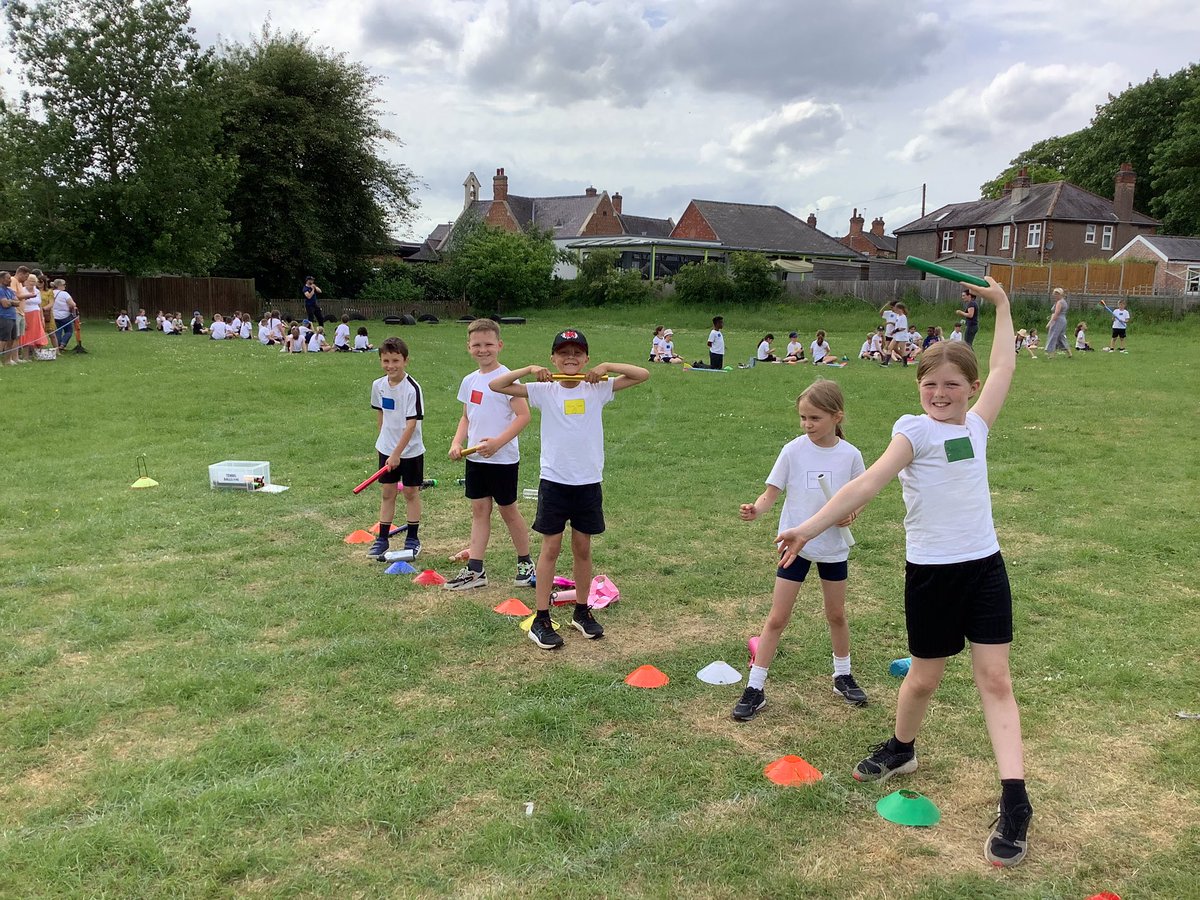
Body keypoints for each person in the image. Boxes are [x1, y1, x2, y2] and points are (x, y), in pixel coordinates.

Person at [776, 276, 1032, 868]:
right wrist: (811, 527)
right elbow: (867, 483)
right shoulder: (913, 430)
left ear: (968, 389)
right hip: (932, 576)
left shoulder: (977, 426)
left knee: (996, 680)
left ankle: (1015, 802)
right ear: (918, 387)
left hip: (985, 569)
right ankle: (902, 746)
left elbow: (1003, 369)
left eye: (951, 385)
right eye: (929, 384)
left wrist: (1002, 307)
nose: (940, 393)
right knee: (921, 680)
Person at [490, 329, 649, 650]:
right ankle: (542, 619)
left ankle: (581, 610)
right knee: (550, 549)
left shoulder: (598, 388)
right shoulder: (543, 390)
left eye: (577, 352)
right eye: (563, 353)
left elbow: (642, 374)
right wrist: (531, 370)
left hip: (588, 482)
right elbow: (498, 385)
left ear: (586, 358)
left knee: (583, 548)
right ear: (553, 358)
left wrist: (606, 367)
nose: (570, 358)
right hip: (555, 482)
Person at [733, 380, 868, 722]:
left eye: (815, 418)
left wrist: (852, 513)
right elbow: (770, 493)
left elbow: (860, 495)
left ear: (837, 417)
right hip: (794, 547)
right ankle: (755, 686)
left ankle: (843, 675)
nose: (807, 424)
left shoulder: (850, 456)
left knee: (836, 614)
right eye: (803, 418)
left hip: (833, 548)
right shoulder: (793, 450)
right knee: (777, 617)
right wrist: (757, 510)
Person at [445, 319, 536, 591]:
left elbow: (524, 416)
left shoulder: (508, 379)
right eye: (477, 345)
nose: (482, 350)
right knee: (479, 511)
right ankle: (475, 570)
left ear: (499, 345)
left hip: (502, 459)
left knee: (508, 511)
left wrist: (497, 443)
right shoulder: (469, 381)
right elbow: (466, 417)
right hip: (476, 459)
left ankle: (525, 563)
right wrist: (457, 442)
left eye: (488, 344)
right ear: (469, 347)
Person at [366, 337, 426, 561]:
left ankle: (412, 537)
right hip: (387, 449)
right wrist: (384, 442)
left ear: (405, 361)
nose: (390, 365)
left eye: (395, 360)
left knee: (410, 492)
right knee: (387, 493)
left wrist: (396, 453)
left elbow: (411, 424)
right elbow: (380, 412)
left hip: (410, 451)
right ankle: (382, 538)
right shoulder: (378, 386)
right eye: (386, 360)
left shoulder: (412, 389)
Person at [1043, 288, 1072, 359]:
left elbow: (1056, 313)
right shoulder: (1063, 302)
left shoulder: (1059, 302)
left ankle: (1051, 354)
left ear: (1060, 294)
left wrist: (1050, 323)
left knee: (1053, 336)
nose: (1055, 296)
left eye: (1057, 294)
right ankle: (1069, 353)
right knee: (1061, 336)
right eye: (1054, 294)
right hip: (1063, 320)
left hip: (1058, 320)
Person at [50, 279, 77, 350]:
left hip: (53, 316)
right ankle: (63, 344)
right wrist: (71, 308)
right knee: (69, 331)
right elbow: (72, 304)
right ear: (59, 285)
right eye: (64, 284)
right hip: (65, 316)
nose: (65, 286)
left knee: (57, 331)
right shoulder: (64, 294)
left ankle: (57, 346)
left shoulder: (50, 293)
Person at [0, 271, 19, 365]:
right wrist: (12, 302)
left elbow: (18, 302)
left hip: (13, 317)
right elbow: (4, 304)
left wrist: (10, 301)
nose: (10, 280)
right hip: (4, 317)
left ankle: (8, 360)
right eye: (8, 278)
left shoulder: (10, 290)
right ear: (1, 279)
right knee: (3, 340)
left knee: (11, 340)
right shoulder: (0, 290)